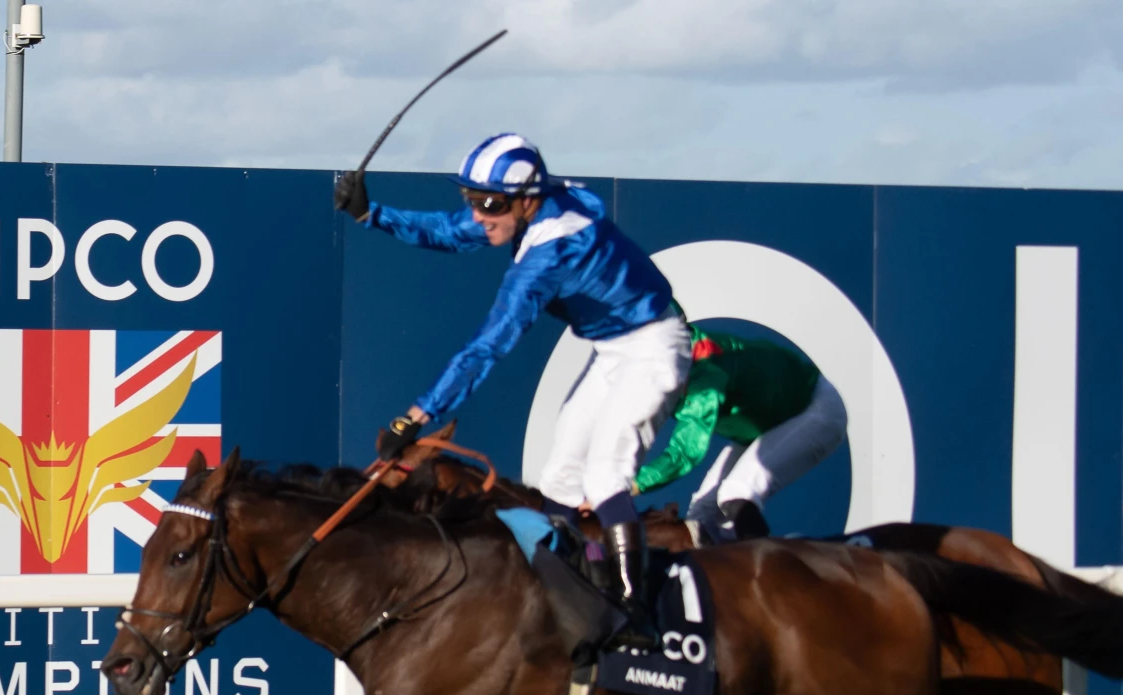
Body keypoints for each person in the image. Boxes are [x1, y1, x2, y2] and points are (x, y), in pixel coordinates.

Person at [335, 133, 689, 630]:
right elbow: (455, 231)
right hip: (613, 351)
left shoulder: (549, 253)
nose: (479, 214)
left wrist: (416, 416)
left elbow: (488, 346)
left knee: (605, 476)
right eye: (473, 200)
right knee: (560, 479)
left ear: (526, 200)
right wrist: (371, 214)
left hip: (653, 349)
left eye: (490, 204)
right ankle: (565, 593)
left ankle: (636, 614)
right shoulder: (531, 208)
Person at [633, 327, 848, 545]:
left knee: (737, 492)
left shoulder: (706, 378)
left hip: (815, 409)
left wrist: (632, 486)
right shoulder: (673, 353)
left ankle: (772, 568)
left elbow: (685, 453)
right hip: (769, 421)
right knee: (701, 514)